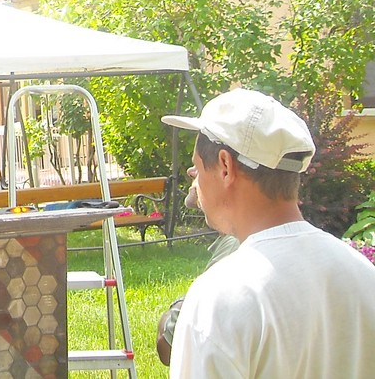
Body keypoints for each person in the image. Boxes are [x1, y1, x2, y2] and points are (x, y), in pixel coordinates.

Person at [160, 88, 375, 378]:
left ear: (225, 166)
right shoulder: (363, 274)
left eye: (197, 167)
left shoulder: (220, 298)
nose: (195, 180)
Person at [153, 164, 239, 367]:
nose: (190, 172)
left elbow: (168, 347)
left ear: (225, 169)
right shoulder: (237, 239)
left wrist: (178, 305)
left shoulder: (235, 245)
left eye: (198, 163)